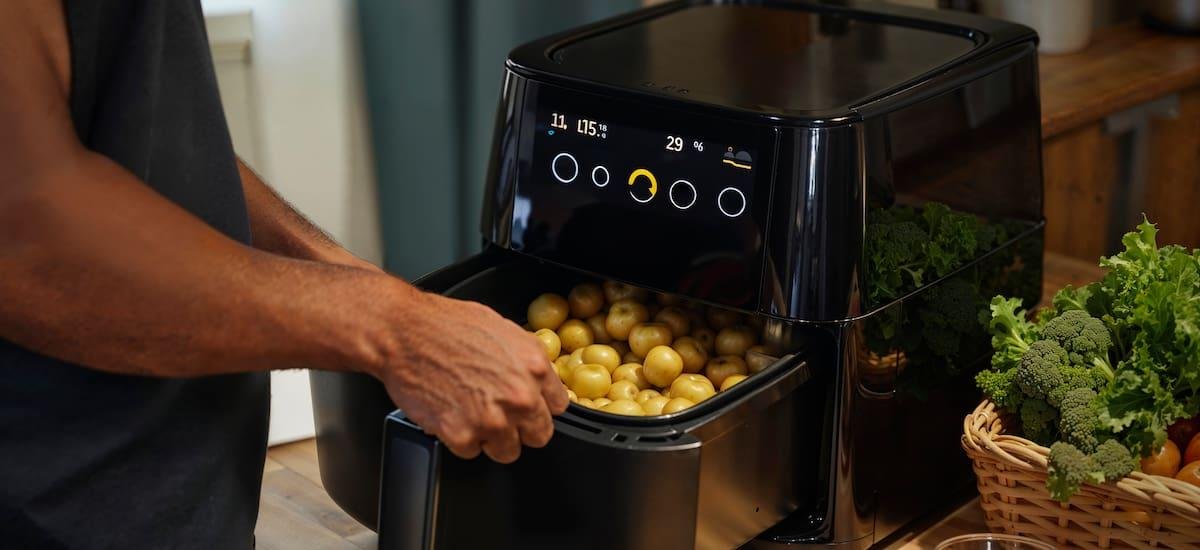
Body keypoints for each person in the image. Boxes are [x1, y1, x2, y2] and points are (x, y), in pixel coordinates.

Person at [0, 1, 568, 548]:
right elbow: (25, 240)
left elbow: (148, 139)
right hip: (58, 504)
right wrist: (391, 325)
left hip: (183, 492)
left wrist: (348, 276)